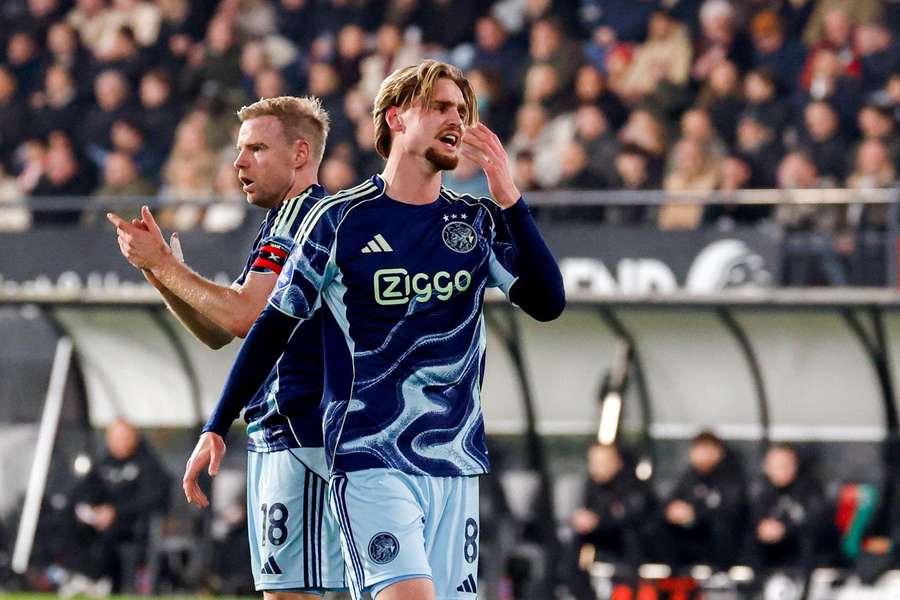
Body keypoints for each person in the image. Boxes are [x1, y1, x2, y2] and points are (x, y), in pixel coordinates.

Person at [208, 59, 565, 600]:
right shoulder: (338, 220)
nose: (456, 119)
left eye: (461, 110)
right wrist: (218, 423)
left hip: (455, 461)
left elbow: (548, 302)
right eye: (439, 107)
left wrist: (510, 198)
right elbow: (272, 327)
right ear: (396, 119)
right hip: (368, 457)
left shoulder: (475, 221)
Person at [107, 96, 346, 599]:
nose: (238, 163)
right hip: (284, 433)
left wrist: (166, 266)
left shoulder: (306, 217)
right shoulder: (279, 221)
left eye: (256, 149)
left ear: (300, 154)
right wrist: (157, 270)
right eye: (239, 150)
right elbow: (217, 331)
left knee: (292, 594)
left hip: (304, 431)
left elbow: (243, 316)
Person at [62, 418, 170, 595]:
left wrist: (116, 512)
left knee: (112, 531)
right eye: (115, 437)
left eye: (124, 437)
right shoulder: (103, 463)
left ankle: (95, 578)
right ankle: (76, 575)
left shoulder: (148, 464)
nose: (120, 442)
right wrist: (89, 510)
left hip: (134, 524)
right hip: (100, 521)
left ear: (134, 438)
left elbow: (152, 499)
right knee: (68, 523)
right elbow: (85, 491)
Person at [565, 444, 655, 600]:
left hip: (632, 543)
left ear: (618, 462)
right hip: (603, 539)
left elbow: (632, 517)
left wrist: (599, 520)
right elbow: (588, 511)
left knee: (631, 537)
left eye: (603, 462)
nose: (597, 467)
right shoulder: (591, 485)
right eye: (593, 462)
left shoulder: (634, 485)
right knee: (573, 542)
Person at [657, 431, 747, 570]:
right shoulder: (689, 475)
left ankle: (720, 572)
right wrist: (672, 510)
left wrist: (695, 514)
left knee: (721, 529)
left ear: (718, 452)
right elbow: (672, 500)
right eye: (698, 450)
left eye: (705, 450)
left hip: (718, 542)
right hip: (691, 532)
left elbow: (731, 511)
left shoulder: (731, 475)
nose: (701, 455)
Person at [746, 444, 826, 573]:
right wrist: (762, 529)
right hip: (766, 554)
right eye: (776, 465)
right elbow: (751, 521)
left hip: (798, 556)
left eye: (786, 465)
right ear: (766, 467)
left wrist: (785, 529)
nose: (781, 470)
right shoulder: (758, 490)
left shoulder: (810, 489)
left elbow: (817, 522)